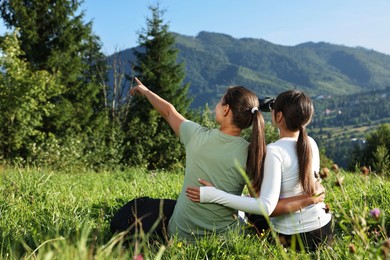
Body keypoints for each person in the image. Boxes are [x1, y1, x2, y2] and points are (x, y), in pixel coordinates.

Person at [110, 79, 323, 242]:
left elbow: (168, 111)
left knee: (142, 206)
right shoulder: (254, 152)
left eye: (220, 101)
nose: (217, 105)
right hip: (229, 236)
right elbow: (261, 203)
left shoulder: (196, 135)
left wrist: (146, 92)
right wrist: (307, 199)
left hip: (181, 233)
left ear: (226, 109)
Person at [186, 90, 333, 251]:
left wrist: (214, 195)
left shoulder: (274, 151)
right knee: (250, 200)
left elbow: (266, 208)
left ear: (279, 117)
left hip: (295, 238)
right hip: (324, 228)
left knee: (252, 211)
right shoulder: (310, 143)